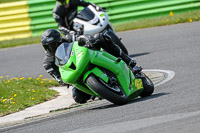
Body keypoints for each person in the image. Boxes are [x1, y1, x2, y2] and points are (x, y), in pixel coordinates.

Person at [41, 29, 136, 104]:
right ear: (45, 47)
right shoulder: (48, 63)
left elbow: (83, 37)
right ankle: (98, 91)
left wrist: (87, 40)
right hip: (77, 74)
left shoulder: (69, 38)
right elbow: (58, 77)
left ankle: (128, 60)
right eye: (49, 46)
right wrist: (63, 80)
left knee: (101, 37)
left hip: (88, 56)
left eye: (56, 44)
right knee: (78, 98)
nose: (54, 47)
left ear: (60, 40)